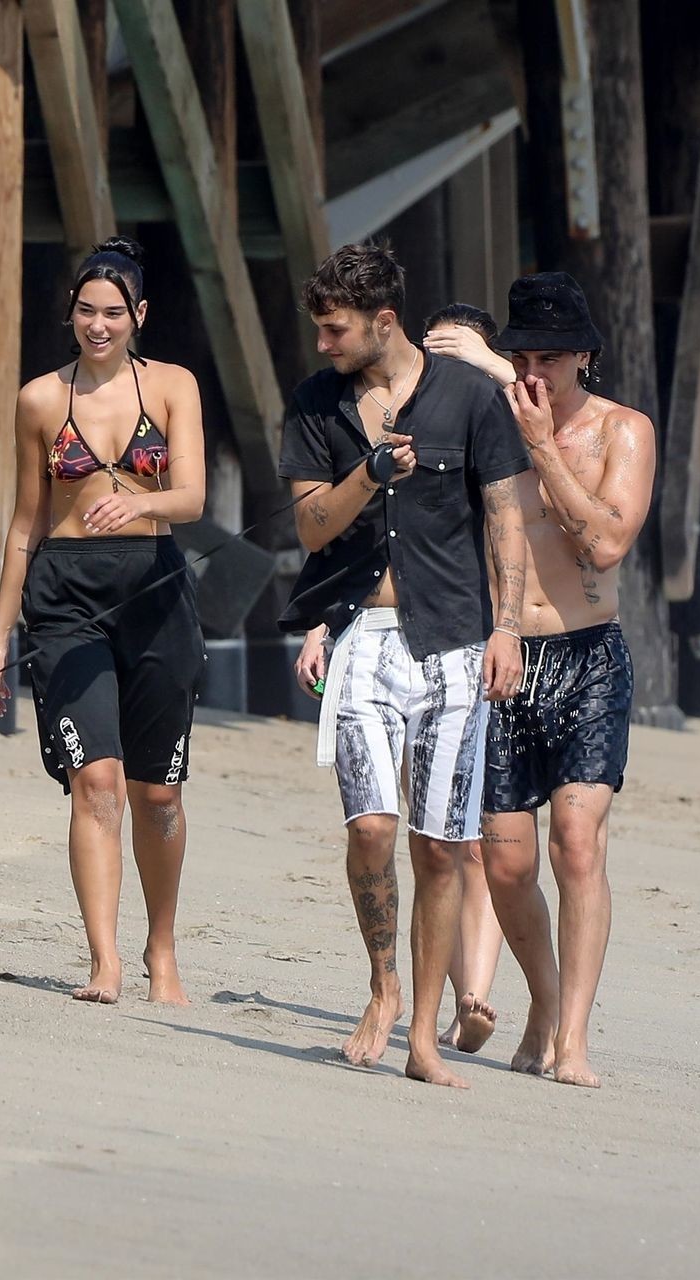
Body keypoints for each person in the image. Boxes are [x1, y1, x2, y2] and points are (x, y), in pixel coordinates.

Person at [278, 244, 529, 1089]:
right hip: (362, 636)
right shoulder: (316, 404)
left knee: (441, 846)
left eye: (336, 330)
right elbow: (311, 527)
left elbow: (505, 516)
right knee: (372, 829)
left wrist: (508, 629)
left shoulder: (469, 397)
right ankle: (382, 984)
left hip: (455, 640)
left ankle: (423, 1035)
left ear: (383, 322)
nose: (323, 344)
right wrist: (369, 470)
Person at [0, 237, 206, 1007]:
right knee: (97, 781)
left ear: (139, 314)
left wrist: (140, 505)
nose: (99, 325)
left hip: (155, 592)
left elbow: (192, 499)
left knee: (159, 794)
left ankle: (161, 950)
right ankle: (104, 960)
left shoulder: (173, 386)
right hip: (66, 598)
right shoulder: (41, 400)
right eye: (86, 311)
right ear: (70, 314)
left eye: (113, 313)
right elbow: (25, 523)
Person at [479, 271, 655, 1088]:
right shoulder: (491, 424)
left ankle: (574, 1038)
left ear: (584, 354)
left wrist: (544, 445)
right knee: (506, 864)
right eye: (521, 358)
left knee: (576, 844)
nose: (534, 375)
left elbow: (607, 544)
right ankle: (543, 1002)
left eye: (549, 358)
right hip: (508, 656)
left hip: (588, 657)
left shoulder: (624, 430)